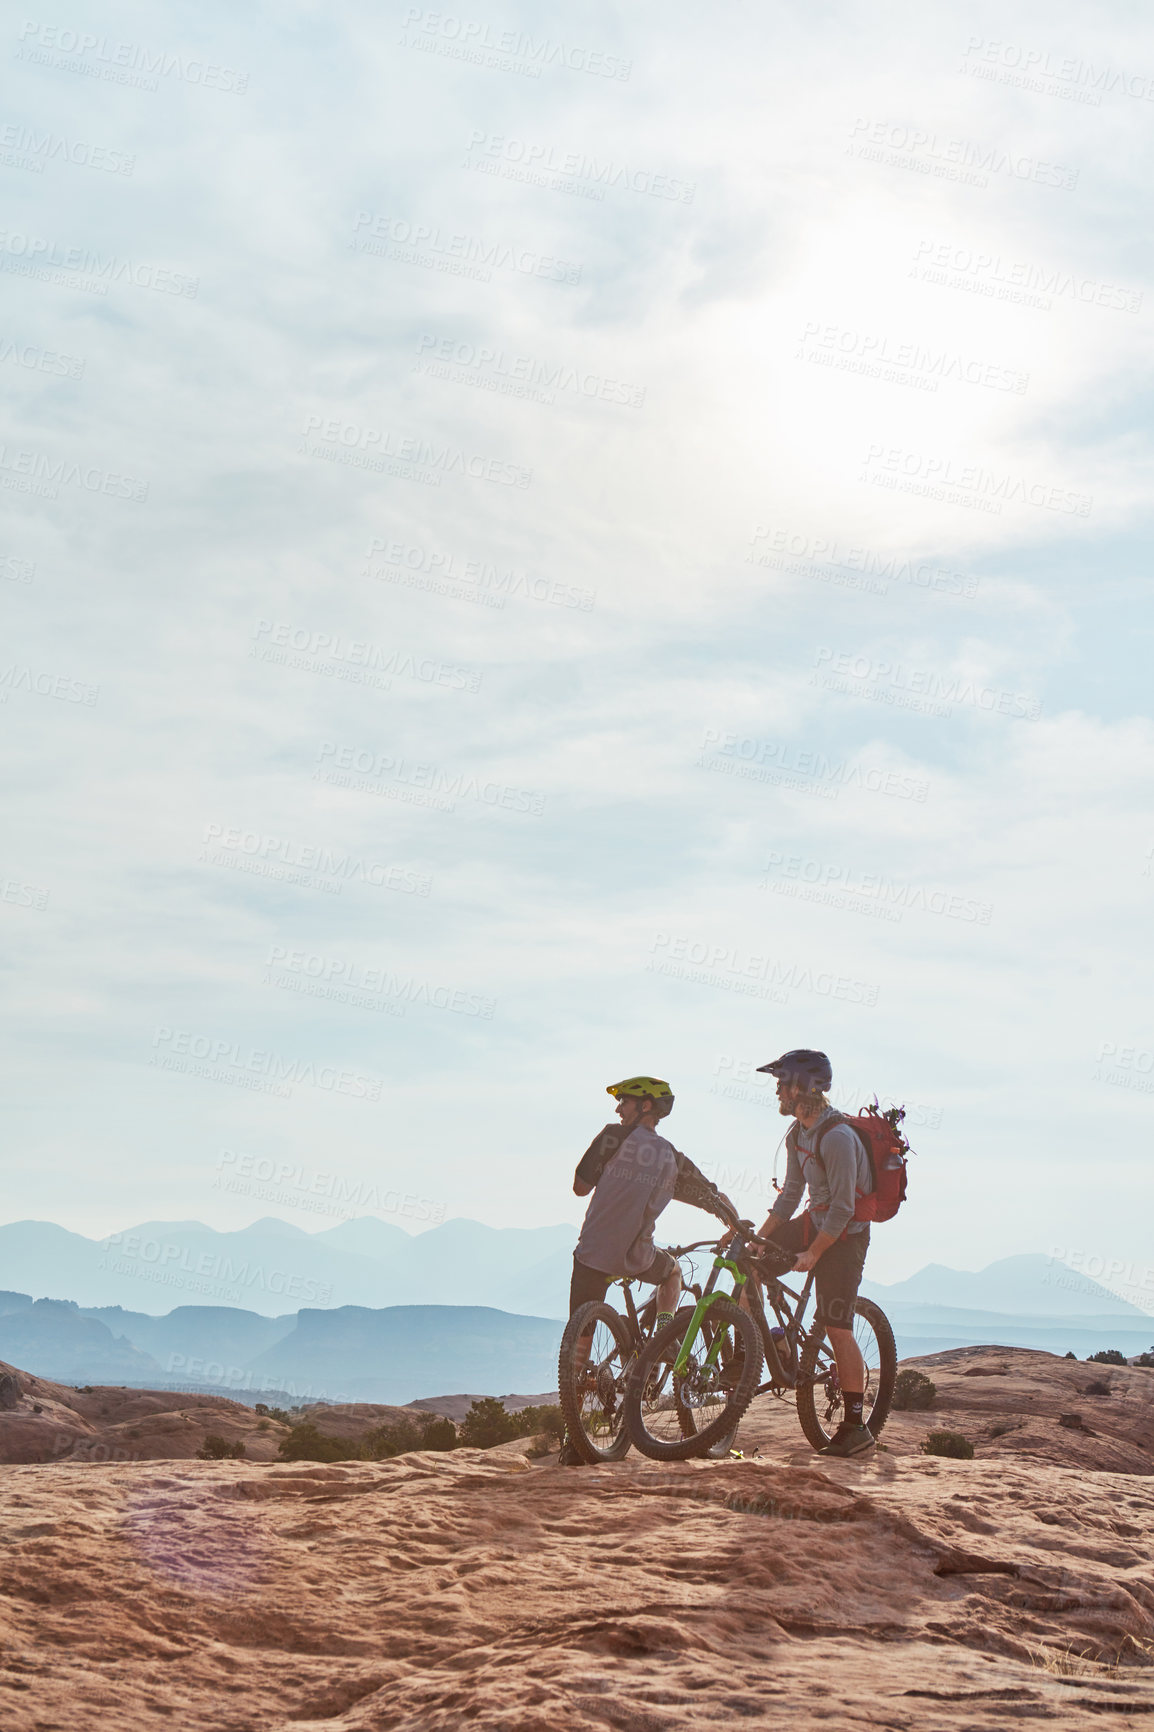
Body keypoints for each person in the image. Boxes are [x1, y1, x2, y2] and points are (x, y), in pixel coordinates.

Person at [559, 1076, 740, 1465]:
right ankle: (664, 1331)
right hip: (637, 1255)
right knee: (672, 1272)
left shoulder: (611, 1137)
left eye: (623, 1102)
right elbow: (710, 1196)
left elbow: (578, 1187)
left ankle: (574, 1441)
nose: (617, 1109)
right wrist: (734, 1223)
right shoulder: (671, 1157)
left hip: (592, 1253)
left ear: (644, 1106)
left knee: (581, 1339)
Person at [752, 1049, 876, 1458]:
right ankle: (765, 1349)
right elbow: (790, 1196)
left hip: (845, 1236)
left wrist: (813, 1254)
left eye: (782, 1083)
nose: (777, 1092)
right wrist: (759, 1238)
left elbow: (843, 1208)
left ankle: (856, 1427)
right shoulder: (796, 1135)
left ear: (804, 1088)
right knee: (746, 1266)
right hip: (814, 1221)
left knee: (835, 1323)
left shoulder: (837, 1137)